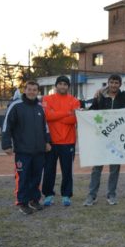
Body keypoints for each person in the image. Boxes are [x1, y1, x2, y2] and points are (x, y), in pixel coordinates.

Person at [1, 80, 51, 215]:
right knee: (23, 177)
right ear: (25, 90)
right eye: (29, 89)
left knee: (36, 177)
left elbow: (45, 127)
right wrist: (6, 144)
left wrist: (47, 142)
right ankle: (22, 202)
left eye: (35, 90)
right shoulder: (16, 106)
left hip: (39, 150)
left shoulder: (40, 107)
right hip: (23, 150)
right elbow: (7, 125)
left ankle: (34, 200)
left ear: (37, 92)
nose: (32, 92)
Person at [83, 74, 125, 206]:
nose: (114, 85)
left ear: (120, 84)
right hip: (101, 138)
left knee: (114, 169)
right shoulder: (100, 97)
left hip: (117, 139)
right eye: (112, 82)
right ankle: (92, 196)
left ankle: (111, 195)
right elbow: (92, 112)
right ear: (108, 83)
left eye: (116, 82)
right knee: (96, 168)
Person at [41, 76, 81, 207]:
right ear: (56, 86)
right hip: (51, 142)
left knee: (67, 170)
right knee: (48, 170)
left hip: (68, 142)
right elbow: (47, 116)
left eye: (65, 84)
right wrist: (67, 113)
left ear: (68, 87)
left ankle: (66, 195)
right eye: (60, 84)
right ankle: (48, 195)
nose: (62, 86)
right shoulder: (47, 99)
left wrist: (56, 114)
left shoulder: (75, 101)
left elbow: (74, 120)